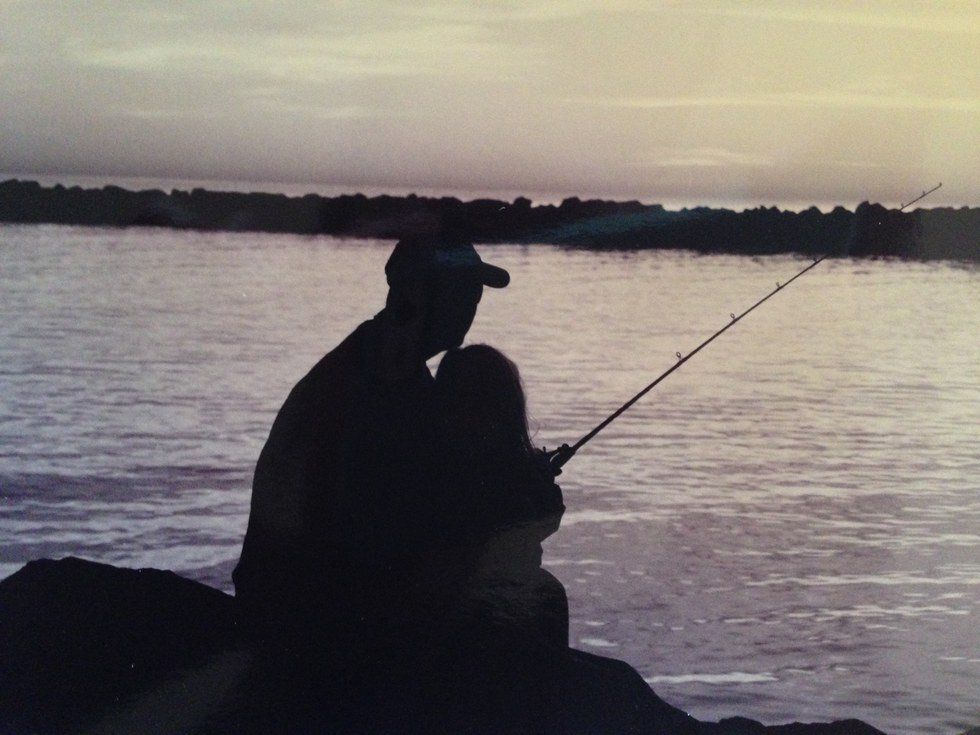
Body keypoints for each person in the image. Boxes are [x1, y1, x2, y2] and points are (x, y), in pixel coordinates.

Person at [232, 235, 510, 643]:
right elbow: (383, 524)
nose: (471, 306)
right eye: (460, 293)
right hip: (312, 615)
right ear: (417, 298)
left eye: (474, 294)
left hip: (307, 597)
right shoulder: (375, 385)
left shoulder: (385, 364)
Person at [428, 344, 569, 649]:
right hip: (479, 616)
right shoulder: (498, 475)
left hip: (446, 608)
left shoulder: (436, 463)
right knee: (551, 595)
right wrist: (539, 487)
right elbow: (539, 523)